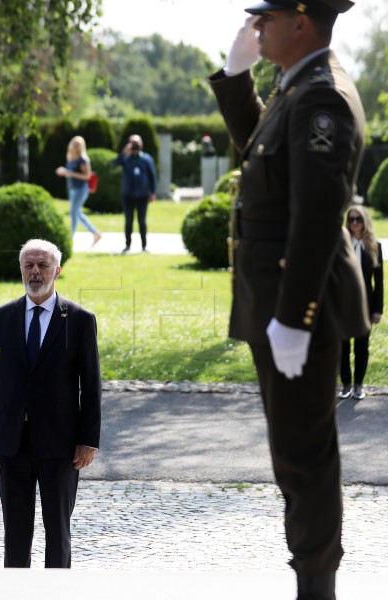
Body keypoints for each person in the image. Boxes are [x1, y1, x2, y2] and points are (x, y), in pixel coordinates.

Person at [209, 1, 369, 598]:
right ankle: (313, 578)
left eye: (266, 16)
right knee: (293, 451)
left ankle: (317, 587)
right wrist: (235, 78)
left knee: (304, 457)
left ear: (301, 20)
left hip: (299, 308)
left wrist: (294, 318)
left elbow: (318, 218)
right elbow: (259, 151)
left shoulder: (320, 96)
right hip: (279, 304)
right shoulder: (295, 87)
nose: (256, 26)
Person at [0, 238, 101, 568]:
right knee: (15, 533)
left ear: (57, 271)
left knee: (57, 532)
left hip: (60, 444)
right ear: (20, 269)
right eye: (28, 265)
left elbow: (90, 385)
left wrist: (88, 440)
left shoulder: (79, 320)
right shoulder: (0, 318)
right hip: (10, 441)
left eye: (42, 265)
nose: (35, 272)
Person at [339, 204, 382, 401]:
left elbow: (379, 282)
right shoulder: (341, 243)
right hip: (343, 302)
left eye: (358, 219)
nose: (354, 223)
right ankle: (346, 384)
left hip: (365, 303)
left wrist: (378, 309)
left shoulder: (374, 246)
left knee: (361, 346)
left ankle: (358, 386)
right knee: (343, 346)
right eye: (351, 219)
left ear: (365, 221)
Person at [112, 134, 157, 253]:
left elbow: (153, 176)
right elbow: (115, 163)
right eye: (133, 143)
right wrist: (124, 152)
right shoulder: (126, 159)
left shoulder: (147, 159)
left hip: (143, 195)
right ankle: (128, 245)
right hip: (128, 195)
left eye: (137, 143)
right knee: (129, 220)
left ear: (141, 144)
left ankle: (144, 246)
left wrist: (153, 192)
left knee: (142, 221)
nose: (135, 145)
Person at [55, 136, 102, 246]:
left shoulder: (83, 159)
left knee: (74, 212)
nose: (75, 146)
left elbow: (87, 176)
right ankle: (95, 233)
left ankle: (70, 238)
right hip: (73, 189)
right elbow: (70, 173)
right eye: (74, 143)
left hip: (81, 189)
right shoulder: (71, 157)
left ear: (81, 146)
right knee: (77, 212)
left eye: (78, 144)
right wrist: (64, 172)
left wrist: (70, 173)